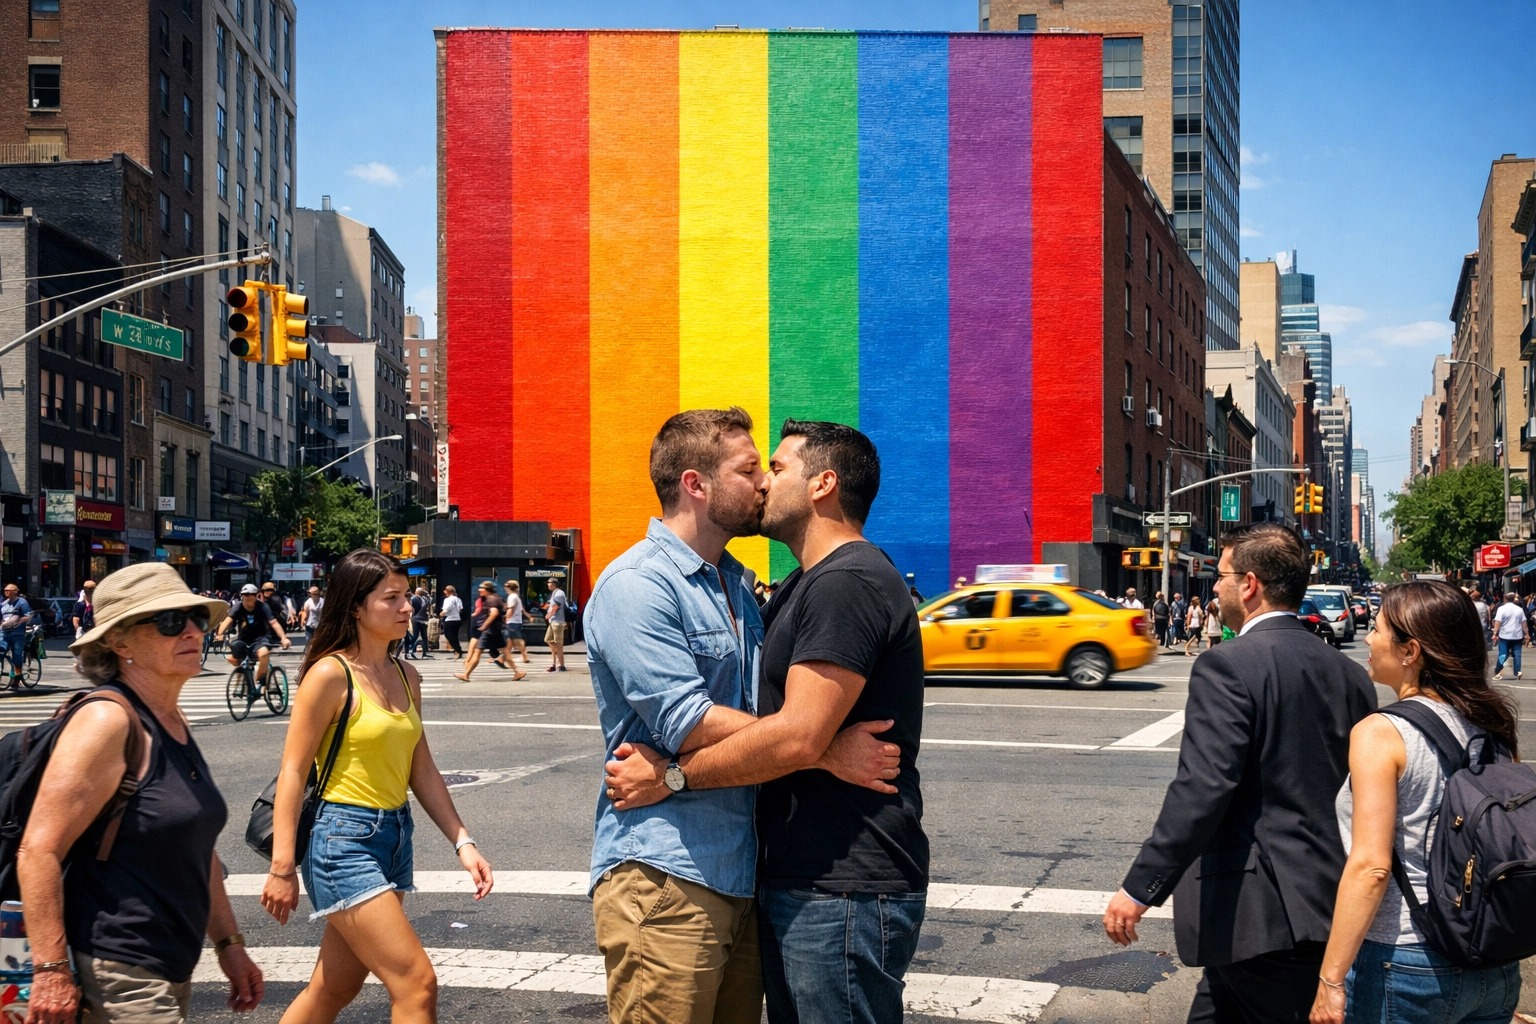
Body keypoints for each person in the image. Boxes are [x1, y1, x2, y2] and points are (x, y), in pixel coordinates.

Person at [602, 418, 918, 1024]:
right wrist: (820, 747)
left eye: (772, 468)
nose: (763, 484)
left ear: (823, 485)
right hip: (674, 872)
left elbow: (791, 727)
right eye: (751, 471)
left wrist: (675, 774)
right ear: (696, 484)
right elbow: (697, 722)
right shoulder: (643, 584)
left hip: (820, 880)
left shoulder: (816, 583)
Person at [1103, 522, 1377, 1024]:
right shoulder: (1350, 675)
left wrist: (1140, 888)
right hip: (1324, 900)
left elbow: (1204, 786)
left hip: (1261, 913)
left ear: (1249, 584)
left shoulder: (1227, 665)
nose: (1215, 587)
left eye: (1221, 575)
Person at [21, 563, 263, 1023]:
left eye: (196, 617)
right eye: (171, 622)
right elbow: (38, 850)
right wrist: (50, 968)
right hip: (118, 970)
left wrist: (230, 946)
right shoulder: (107, 721)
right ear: (120, 642)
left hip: (170, 962)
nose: (193, 630)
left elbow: (198, 848)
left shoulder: (171, 719)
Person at [260, 549, 494, 1023]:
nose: (408, 606)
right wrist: (282, 866)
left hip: (393, 839)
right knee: (416, 982)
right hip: (341, 840)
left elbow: (422, 768)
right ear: (355, 607)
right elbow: (293, 770)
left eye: (407, 595)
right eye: (392, 598)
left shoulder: (407, 675)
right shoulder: (330, 674)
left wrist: (462, 841)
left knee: (334, 988)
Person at [1310, 581, 1523, 1024]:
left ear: (1410, 651)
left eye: (1378, 629)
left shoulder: (1380, 733)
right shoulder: (1492, 722)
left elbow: (1371, 867)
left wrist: (1330, 980)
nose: (1366, 637)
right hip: (1493, 963)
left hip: (1405, 963)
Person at [214, 583, 291, 686]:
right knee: (233, 653)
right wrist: (220, 634)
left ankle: (259, 680)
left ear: (257, 595)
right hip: (243, 638)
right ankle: (241, 675)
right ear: (241, 595)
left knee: (264, 654)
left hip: (261, 638)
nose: (249, 597)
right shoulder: (238, 606)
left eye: (252, 594)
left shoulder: (263, 606)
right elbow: (228, 621)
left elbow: (274, 623)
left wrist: (283, 638)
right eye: (245, 594)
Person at [454, 581, 510, 682]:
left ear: (487, 590)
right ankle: (516, 671)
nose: (479, 590)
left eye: (481, 588)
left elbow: (493, 613)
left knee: (478, 650)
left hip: (488, 629)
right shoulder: (492, 598)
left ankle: (466, 672)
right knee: (503, 650)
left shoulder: (491, 599)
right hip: (491, 629)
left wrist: (483, 624)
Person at [0, 582, 34, 686]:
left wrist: (17, 622)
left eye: (8, 590)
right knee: (1, 650)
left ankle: (17, 677)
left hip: (17, 634)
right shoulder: (3, 603)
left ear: (14, 592)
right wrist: (3, 623)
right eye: (5, 590)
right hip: (4, 632)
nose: (6, 592)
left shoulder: (21, 602)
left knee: (17, 655)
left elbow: (28, 615)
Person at [494, 582, 529, 670]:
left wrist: (506, 619)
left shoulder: (512, 597)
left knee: (515, 641)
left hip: (512, 622)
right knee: (510, 642)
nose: (505, 589)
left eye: (506, 587)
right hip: (516, 622)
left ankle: (502, 659)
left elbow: (511, 610)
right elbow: (518, 609)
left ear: (509, 587)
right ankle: (503, 659)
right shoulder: (516, 596)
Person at [1492, 590, 1526, 679]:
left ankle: (1498, 670)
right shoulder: (1519, 609)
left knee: (1502, 653)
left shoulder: (1501, 609)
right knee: (1517, 654)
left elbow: (1497, 622)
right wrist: (1527, 634)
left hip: (1505, 635)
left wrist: (1495, 633)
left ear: (1505, 599)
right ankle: (1517, 672)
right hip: (1517, 635)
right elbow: (1524, 623)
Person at [545, 580, 569, 672]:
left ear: (554, 584)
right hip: (553, 622)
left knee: (558, 644)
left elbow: (557, 606)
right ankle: (555, 663)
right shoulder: (554, 593)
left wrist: (549, 614)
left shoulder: (559, 593)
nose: (548, 584)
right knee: (548, 640)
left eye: (549, 582)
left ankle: (561, 665)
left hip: (557, 622)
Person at [438, 585, 464, 659]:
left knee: (448, 635)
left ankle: (458, 650)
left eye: (445, 591)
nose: (445, 593)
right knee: (455, 636)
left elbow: (446, 609)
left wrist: (441, 613)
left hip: (450, 619)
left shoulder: (447, 600)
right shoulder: (458, 599)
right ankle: (458, 651)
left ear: (448, 591)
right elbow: (460, 608)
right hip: (457, 619)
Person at [406, 587, 431, 659]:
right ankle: (409, 650)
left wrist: (427, 594)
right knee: (415, 635)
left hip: (423, 619)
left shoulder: (424, 599)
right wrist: (411, 617)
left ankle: (425, 653)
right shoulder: (414, 599)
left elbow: (429, 602)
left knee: (424, 636)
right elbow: (412, 608)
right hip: (416, 619)